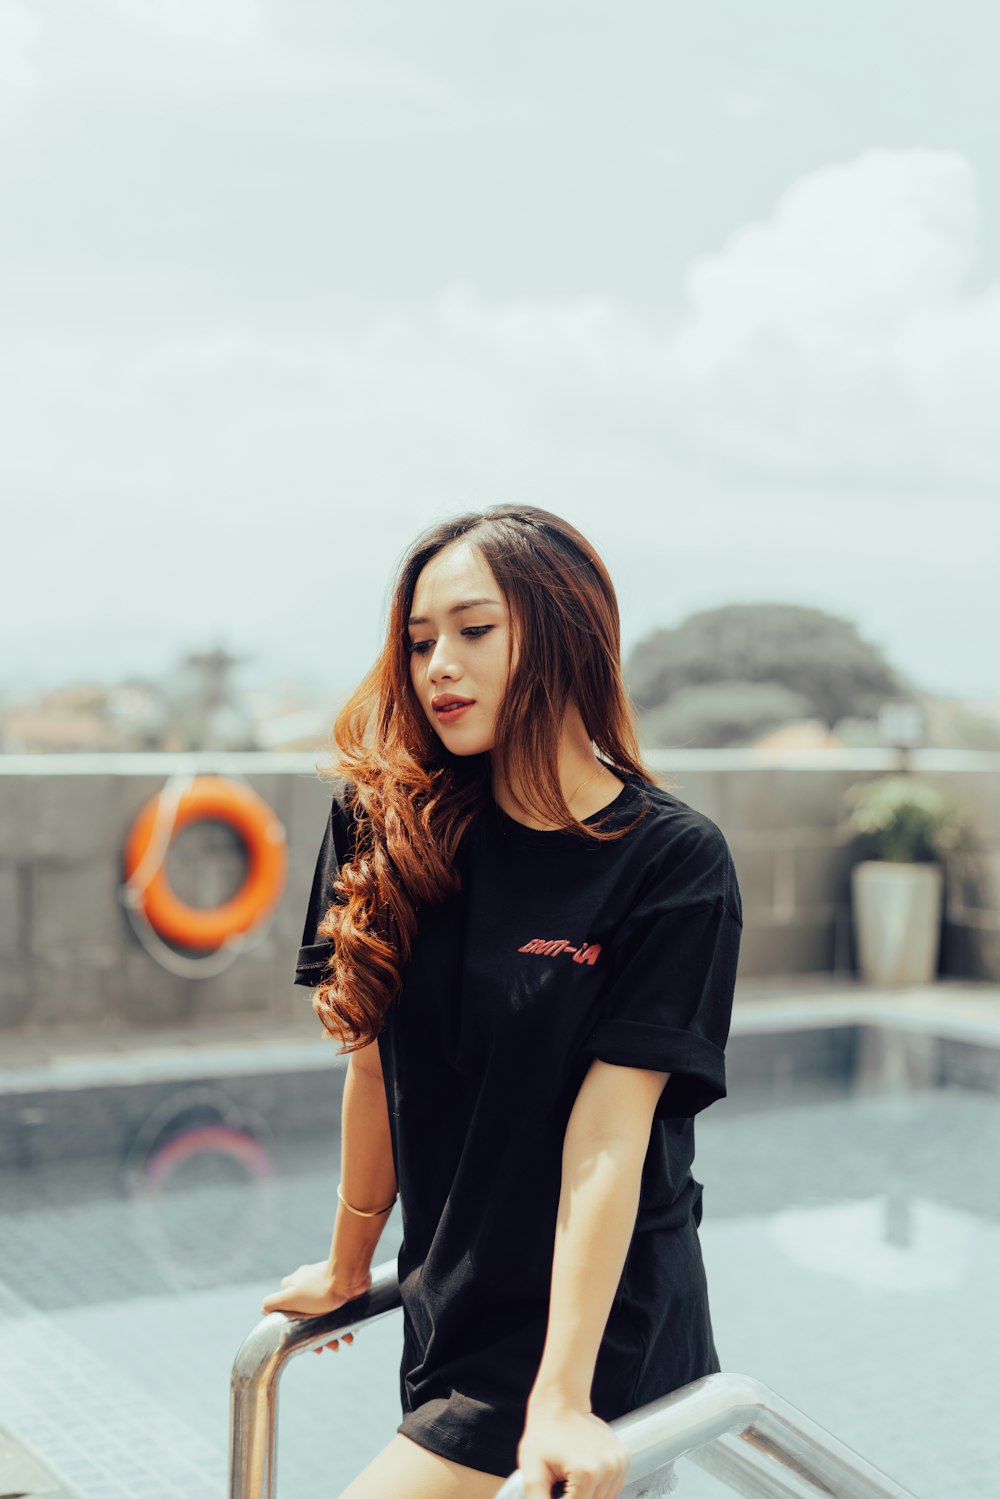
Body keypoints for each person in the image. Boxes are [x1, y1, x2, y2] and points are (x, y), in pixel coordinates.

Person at [261, 504, 743, 1499]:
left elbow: (609, 1135)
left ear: (565, 630)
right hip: (454, 1314)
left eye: (474, 630)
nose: (439, 663)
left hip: (602, 1333)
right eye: (420, 640)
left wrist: (560, 1395)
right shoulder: (382, 820)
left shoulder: (669, 860)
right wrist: (349, 1259)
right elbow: (371, 1060)